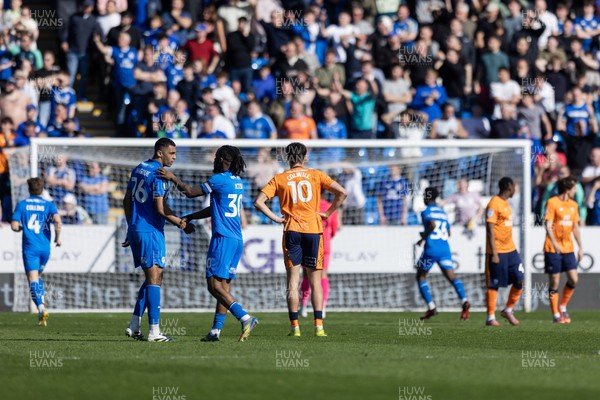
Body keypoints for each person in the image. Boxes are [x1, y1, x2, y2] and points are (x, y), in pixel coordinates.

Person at [159, 145, 259, 342]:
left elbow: (189, 192)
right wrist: (193, 216)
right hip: (236, 239)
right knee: (223, 288)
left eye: (216, 157)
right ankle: (215, 331)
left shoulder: (218, 179)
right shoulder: (237, 181)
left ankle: (245, 317)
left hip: (222, 238)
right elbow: (216, 209)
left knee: (213, 285)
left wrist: (173, 178)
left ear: (222, 159)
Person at [254, 142, 347, 337]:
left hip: (292, 231)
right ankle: (319, 327)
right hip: (313, 230)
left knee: (293, 281)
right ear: (305, 157)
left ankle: (295, 327)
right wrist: (328, 213)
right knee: (316, 281)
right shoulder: (316, 175)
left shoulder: (280, 178)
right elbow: (342, 193)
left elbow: (258, 202)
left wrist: (277, 218)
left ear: (288, 157)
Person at [123, 138, 192, 342]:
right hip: (150, 231)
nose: (174, 157)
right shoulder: (159, 175)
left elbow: (126, 199)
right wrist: (181, 223)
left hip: (137, 228)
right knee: (154, 279)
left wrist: (130, 226)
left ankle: (134, 325)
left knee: (154, 276)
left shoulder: (139, 168)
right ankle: (154, 332)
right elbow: (160, 210)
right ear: (159, 153)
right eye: (171, 153)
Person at [11, 177, 62, 326]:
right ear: (42, 189)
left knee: (32, 279)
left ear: (29, 189)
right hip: (45, 248)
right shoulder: (49, 204)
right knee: (38, 276)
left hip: (30, 247)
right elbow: (58, 221)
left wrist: (21, 228)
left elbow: (14, 226)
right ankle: (42, 301)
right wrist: (58, 238)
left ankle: (40, 307)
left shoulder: (22, 204)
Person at [416, 187, 470, 321]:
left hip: (431, 249)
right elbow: (449, 232)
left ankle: (431, 306)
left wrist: (423, 238)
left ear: (428, 198)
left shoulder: (426, 211)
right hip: (445, 248)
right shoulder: (442, 212)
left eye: (424, 196)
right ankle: (464, 300)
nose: (423, 198)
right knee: (452, 276)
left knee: (420, 275)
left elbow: (432, 225)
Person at [485, 177, 523, 327]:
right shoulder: (494, 203)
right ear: (508, 186)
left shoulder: (506, 203)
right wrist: (494, 253)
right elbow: (490, 229)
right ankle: (490, 318)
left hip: (511, 250)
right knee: (494, 283)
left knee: (519, 279)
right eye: (514, 186)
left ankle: (508, 309)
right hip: (498, 251)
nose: (515, 189)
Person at [544, 177, 582, 324]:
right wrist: (555, 243)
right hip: (552, 248)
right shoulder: (552, 202)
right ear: (567, 189)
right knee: (554, 281)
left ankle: (563, 306)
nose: (576, 190)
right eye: (574, 188)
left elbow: (575, 227)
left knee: (574, 278)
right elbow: (547, 225)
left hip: (568, 248)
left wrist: (580, 247)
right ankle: (555, 314)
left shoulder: (573, 205)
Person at [300, 196, 340, 318]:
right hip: (325, 245)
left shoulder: (305, 205)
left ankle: (303, 306)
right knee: (323, 275)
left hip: (308, 243)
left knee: (306, 275)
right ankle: (322, 307)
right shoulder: (330, 206)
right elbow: (334, 229)